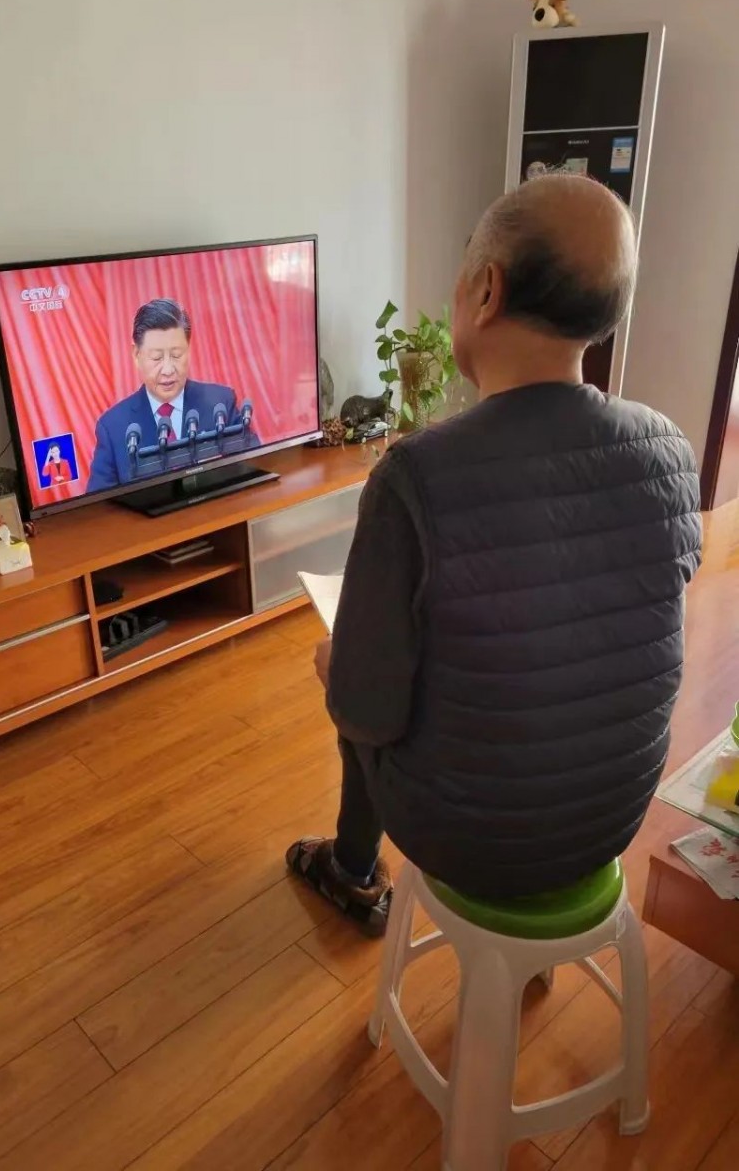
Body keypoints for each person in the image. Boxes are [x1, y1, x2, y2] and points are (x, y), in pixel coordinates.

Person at [287, 174, 702, 935]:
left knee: (346, 676)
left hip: (467, 837)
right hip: (610, 818)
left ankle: (351, 871)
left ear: (486, 290)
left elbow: (369, 707)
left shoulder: (416, 476)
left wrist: (338, 663)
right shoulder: (670, 453)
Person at [86, 298, 258, 492]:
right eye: (157, 358)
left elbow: (254, 470)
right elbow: (99, 504)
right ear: (136, 355)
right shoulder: (112, 427)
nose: (168, 370)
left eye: (176, 355)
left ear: (189, 349)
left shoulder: (221, 403)